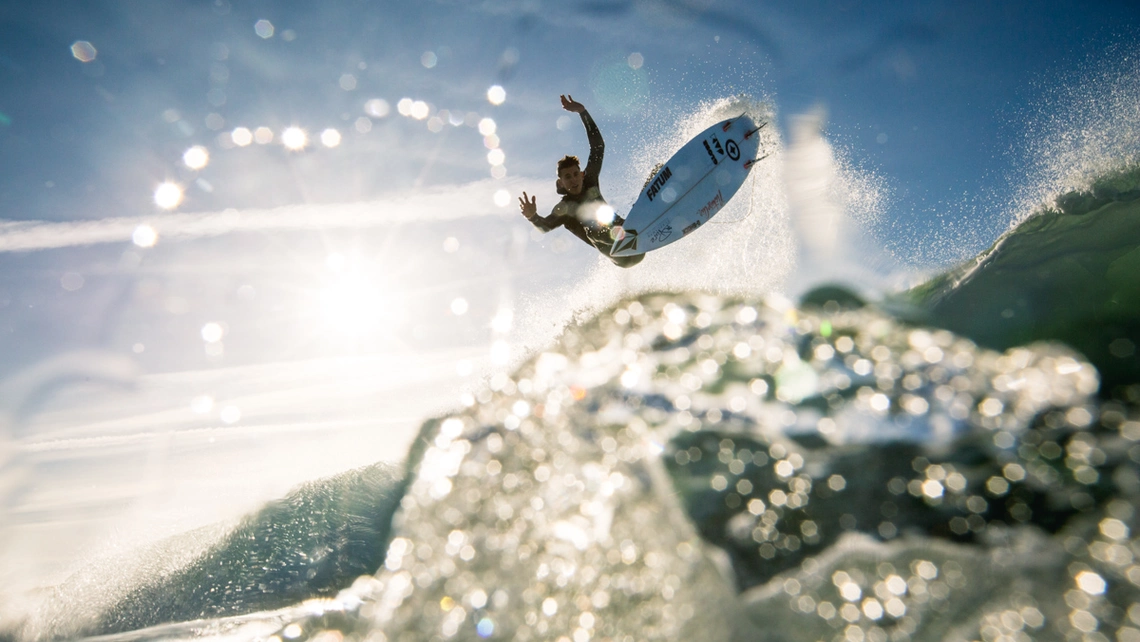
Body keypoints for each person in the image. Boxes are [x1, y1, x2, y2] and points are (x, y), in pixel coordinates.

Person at [518, 95, 645, 268]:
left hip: (635, 241)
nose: (573, 179)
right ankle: (625, 236)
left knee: (654, 174)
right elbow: (545, 226)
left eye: (575, 174)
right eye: (567, 177)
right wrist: (532, 217)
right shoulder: (564, 208)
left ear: (582, 174)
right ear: (561, 182)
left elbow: (598, 147)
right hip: (620, 255)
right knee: (593, 229)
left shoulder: (590, 181)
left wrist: (583, 112)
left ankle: (643, 216)